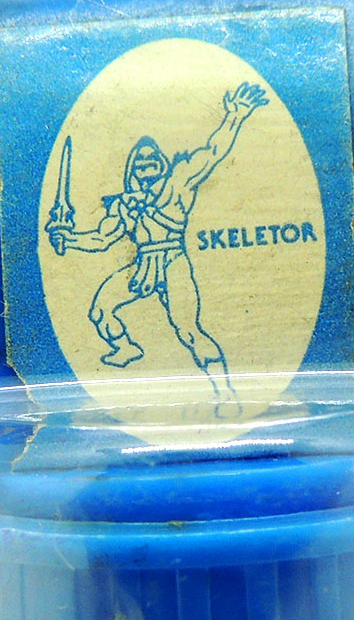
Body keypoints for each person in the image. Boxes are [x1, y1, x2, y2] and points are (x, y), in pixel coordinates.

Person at [48, 81, 268, 415]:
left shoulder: (178, 184)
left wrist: (234, 117)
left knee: (189, 331)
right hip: (140, 267)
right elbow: (102, 239)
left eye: (152, 158)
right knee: (100, 310)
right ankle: (126, 347)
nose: (146, 162)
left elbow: (212, 153)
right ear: (131, 170)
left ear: (163, 163)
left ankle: (226, 393)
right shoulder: (124, 205)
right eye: (140, 160)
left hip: (174, 262)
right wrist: (70, 239)